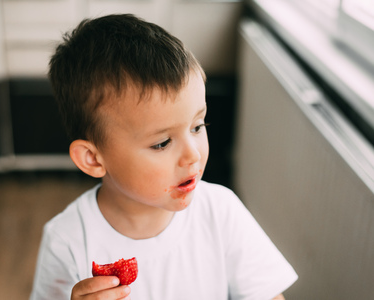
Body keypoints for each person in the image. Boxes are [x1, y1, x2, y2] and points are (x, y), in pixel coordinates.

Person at [30, 14, 298, 300]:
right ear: (93, 159)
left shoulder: (221, 213)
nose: (192, 155)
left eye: (197, 126)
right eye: (162, 143)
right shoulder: (67, 240)